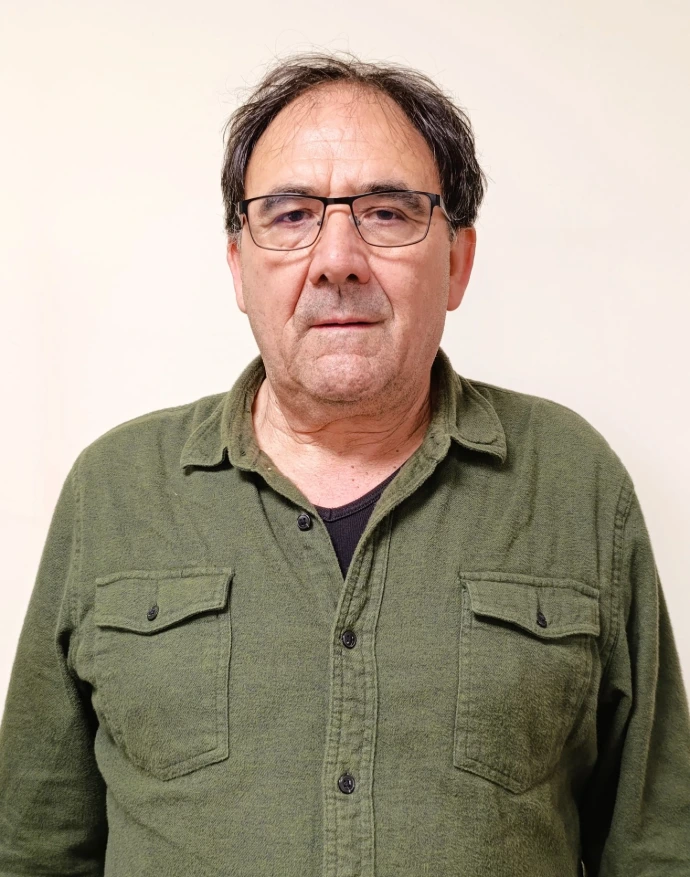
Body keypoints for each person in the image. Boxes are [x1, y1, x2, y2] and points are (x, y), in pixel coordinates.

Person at [0, 52, 688, 877]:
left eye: (387, 212)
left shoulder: (575, 483)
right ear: (238, 268)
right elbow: (32, 847)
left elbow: (658, 845)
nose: (337, 258)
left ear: (458, 261)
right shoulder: (113, 490)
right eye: (290, 214)